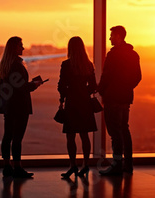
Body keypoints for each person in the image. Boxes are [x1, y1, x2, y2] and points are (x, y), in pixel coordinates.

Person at [98, 25, 141, 175]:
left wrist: (102, 91)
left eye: (111, 35)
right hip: (125, 98)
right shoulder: (133, 55)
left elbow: (106, 76)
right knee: (124, 129)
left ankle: (116, 164)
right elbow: (138, 77)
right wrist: (127, 88)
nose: (109, 38)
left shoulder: (113, 55)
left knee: (114, 132)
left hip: (112, 98)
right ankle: (127, 165)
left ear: (118, 36)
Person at [0, 36, 43, 178]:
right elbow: (21, 88)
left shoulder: (5, 64)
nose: (23, 48)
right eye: (20, 45)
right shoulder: (17, 64)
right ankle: (17, 167)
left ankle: (7, 166)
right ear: (14, 48)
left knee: (7, 136)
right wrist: (34, 85)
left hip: (9, 106)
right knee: (17, 138)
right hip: (20, 106)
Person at [57, 36, 97, 178]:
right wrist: (84, 92)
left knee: (70, 136)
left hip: (72, 103)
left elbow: (61, 85)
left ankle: (72, 165)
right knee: (85, 135)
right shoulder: (89, 64)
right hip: (85, 103)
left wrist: (66, 95)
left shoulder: (66, 64)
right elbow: (93, 86)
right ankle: (85, 165)